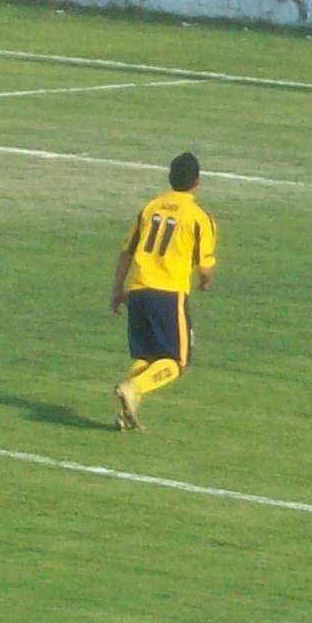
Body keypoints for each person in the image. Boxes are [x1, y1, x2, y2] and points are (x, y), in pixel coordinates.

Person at [110, 151, 218, 433]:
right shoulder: (199, 217)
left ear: (170, 178)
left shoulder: (150, 208)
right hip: (168, 294)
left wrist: (117, 289)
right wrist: (205, 282)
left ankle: (126, 411)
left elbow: (127, 251)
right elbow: (205, 268)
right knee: (177, 361)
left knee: (147, 357)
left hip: (137, 289)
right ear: (197, 181)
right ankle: (132, 389)